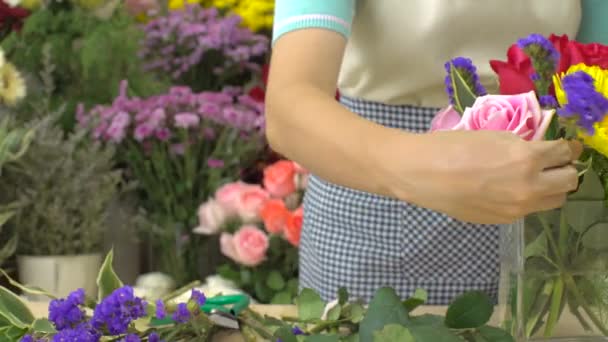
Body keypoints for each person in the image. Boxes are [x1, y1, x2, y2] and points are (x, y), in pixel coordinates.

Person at [265, 1, 590, 304]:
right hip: (376, 218)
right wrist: (417, 168)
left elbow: (594, 68)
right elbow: (287, 108)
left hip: (551, 229)